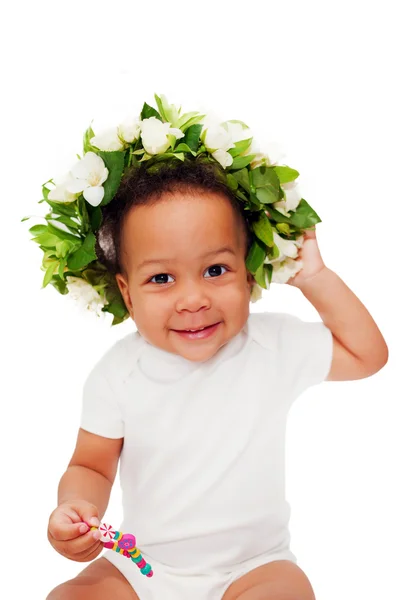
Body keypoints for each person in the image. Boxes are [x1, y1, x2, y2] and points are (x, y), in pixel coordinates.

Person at [43, 117, 388, 599]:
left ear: (249, 274)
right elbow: (93, 467)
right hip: (142, 564)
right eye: (161, 278)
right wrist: (77, 508)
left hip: (254, 565)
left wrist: (315, 278)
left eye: (215, 269)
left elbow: (367, 355)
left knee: (287, 593)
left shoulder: (273, 346)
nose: (192, 299)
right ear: (126, 292)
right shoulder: (118, 374)